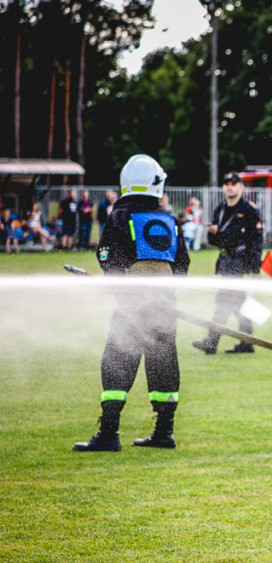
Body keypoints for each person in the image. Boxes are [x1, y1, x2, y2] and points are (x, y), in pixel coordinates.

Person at [73, 154, 190, 452]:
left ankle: (109, 434)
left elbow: (107, 255)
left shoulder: (118, 216)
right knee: (163, 364)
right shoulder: (169, 218)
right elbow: (182, 264)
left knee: (118, 362)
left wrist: (116, 280)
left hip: (130, 308)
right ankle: (164, 432)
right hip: (165, 309)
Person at [192, 172, 264, 355]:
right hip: (224, 260)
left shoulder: (249, 209)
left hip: (239, 260)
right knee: (236, 301)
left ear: (241, 187)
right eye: (226, 183)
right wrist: (213, 233)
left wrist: (255, 269)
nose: (229, 186)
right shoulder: (220, 209)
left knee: (223, 300)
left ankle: (211, 341)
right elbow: (213, 240)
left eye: (233, 183)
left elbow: (256, 241)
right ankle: (247, 342)